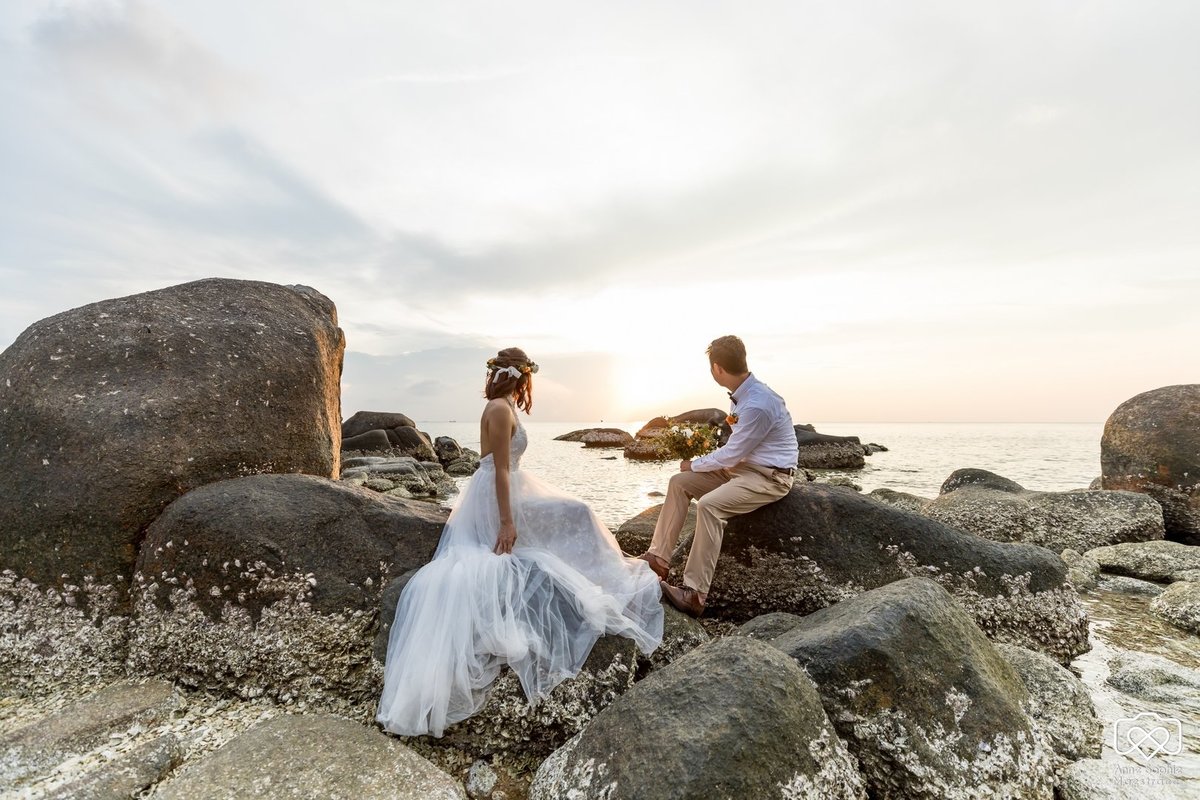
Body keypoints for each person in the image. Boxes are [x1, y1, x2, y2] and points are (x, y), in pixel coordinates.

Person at [377, 348, 663, 737]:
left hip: (510, 485)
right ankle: (607, 577)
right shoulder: (497, 409)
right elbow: (497, 470)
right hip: (497, 496)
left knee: (575, 510)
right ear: (521, 376)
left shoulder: (505, 404)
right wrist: (508, 522)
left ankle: (602, 572)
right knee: (577, 512)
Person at [639, 335, 798, 617]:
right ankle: (658, 559)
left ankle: (694, 593)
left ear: (717, 369)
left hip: (769, 477)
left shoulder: (758, 404)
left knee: (710, 506)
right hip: (740, 469)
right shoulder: (744, 395)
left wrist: (694, 463)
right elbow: (734, 454)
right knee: (678, 483)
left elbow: (731, 454)